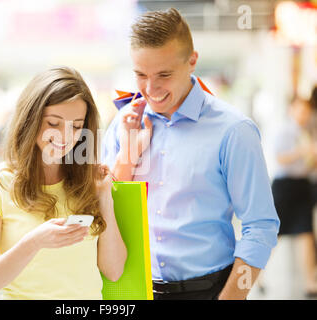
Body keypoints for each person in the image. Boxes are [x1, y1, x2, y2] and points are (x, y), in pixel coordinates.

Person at [102, 8, 280, 300]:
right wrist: (128, 156)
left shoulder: (234, 131)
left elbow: (260, 227)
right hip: (134, 288)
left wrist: (232, 297)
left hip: (210, 290)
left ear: (192, 61)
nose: (150, 88)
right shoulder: (124, 125)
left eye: (164, 74)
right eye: (140, 75)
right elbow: (105, 209)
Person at [0, 66, 127, 300]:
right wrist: (35, 242)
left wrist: (104, 196)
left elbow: (113, 271)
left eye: (76, 126)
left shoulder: (86, 182)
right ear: (30, 120)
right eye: (54, 123)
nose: (65, 136)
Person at [271, 97, 317, 297]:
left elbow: (309, 164)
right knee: (273, 234)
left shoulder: (307, 132)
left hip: (302, 185)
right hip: (285, 187)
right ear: (291, 110)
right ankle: (257, 276)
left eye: (306, 111)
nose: (303, 114)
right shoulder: (285, 130)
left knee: (306, 233)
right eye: (299, 110)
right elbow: (280, 158)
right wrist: (303, 151)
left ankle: (310, 280)